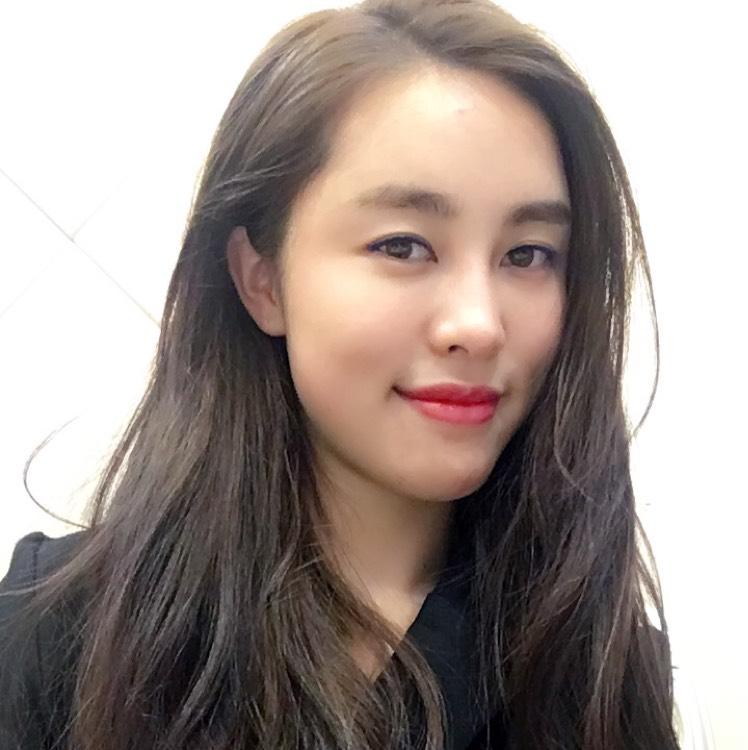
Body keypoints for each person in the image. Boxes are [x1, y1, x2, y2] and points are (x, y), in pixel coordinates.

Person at [0, 1, 687, 748]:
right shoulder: (57, 636)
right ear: (262, 280)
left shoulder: (599, 668)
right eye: (403, 246)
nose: (479, 325)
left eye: (528, 254)